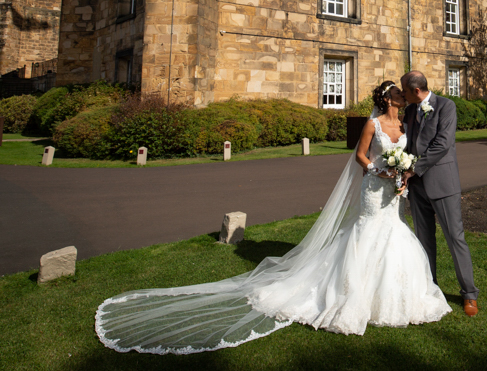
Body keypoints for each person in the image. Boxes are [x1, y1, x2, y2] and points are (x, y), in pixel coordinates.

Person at [95, 81, 450, 354]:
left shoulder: (404, 126)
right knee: (365, 234)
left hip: (393, 194)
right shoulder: (372, 124)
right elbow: (360, 157)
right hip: (374, 189)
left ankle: (395, 296)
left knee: (394, 236)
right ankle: (347, 293)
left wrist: (402, 176)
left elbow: (406, 157)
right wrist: (378, 169)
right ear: (388, 98)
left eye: (405, 96)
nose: (404, 99)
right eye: (399, 96)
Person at [400, 71, 479, 317]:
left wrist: (414, 168)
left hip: (442, 184)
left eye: (404, 90)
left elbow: (443, 144)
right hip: (417, 187)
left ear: (416, 91)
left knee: (455, 238)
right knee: (424, 241)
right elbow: (406, 141)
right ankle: (429, 287)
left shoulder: (446, 106)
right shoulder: (410, 110)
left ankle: (469, 294)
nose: (402, 94)